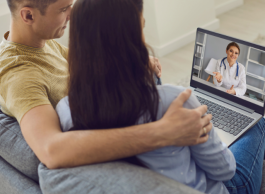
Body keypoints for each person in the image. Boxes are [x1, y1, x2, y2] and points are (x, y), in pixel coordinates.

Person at [55, 0, 265, 194]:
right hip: (218, 187)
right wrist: (213, 137)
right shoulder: (176, 101)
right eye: (142, 27)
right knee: (258, 124)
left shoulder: (66, 109)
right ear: (132, 39)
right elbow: (225, 171)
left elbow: (241, 87)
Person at [0, 0, 212, 172]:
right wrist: (165, 132)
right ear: (28, 16)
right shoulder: (19, 75)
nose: (72, 14)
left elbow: (90, 63)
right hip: (125, 147)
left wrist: (134, 58)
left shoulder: (42, 42)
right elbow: (51, 151)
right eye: (64, 9)